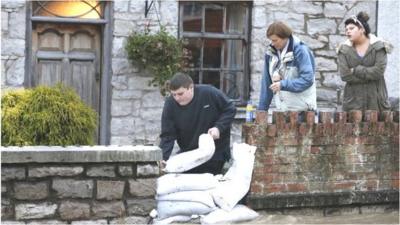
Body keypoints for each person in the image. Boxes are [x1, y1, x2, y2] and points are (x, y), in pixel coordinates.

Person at [159, 72, 236, 175]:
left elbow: (230, 109)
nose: (177, 98)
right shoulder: (170, 104)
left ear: (191, 88)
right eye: (174, 94)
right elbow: (168, 135)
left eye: (180, 94)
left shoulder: (209, 93)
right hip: (189, 152)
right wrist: (163, 157)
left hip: (215, 153)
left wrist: (218, 128)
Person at [337, 12, 392, 111]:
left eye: (351, 28)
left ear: (362, 29)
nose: (347, 32)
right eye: (346, 29)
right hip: (353, 103)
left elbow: (378, 72)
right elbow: (345, 75)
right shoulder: (343, 50)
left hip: (376, 102)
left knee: (378, 126)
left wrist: (355, 70)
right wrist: (370, 75)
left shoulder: (379, 47)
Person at [258, 21, 317, 113]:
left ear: (285, 38)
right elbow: (267, 83)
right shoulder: (270, 53)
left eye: (275, 40)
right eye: (271, 40)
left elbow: (307, 80)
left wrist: (283, 84)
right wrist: (261, 110)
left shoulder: (301, 50)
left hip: (303, 111)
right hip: (282, 111)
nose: (272, 43)